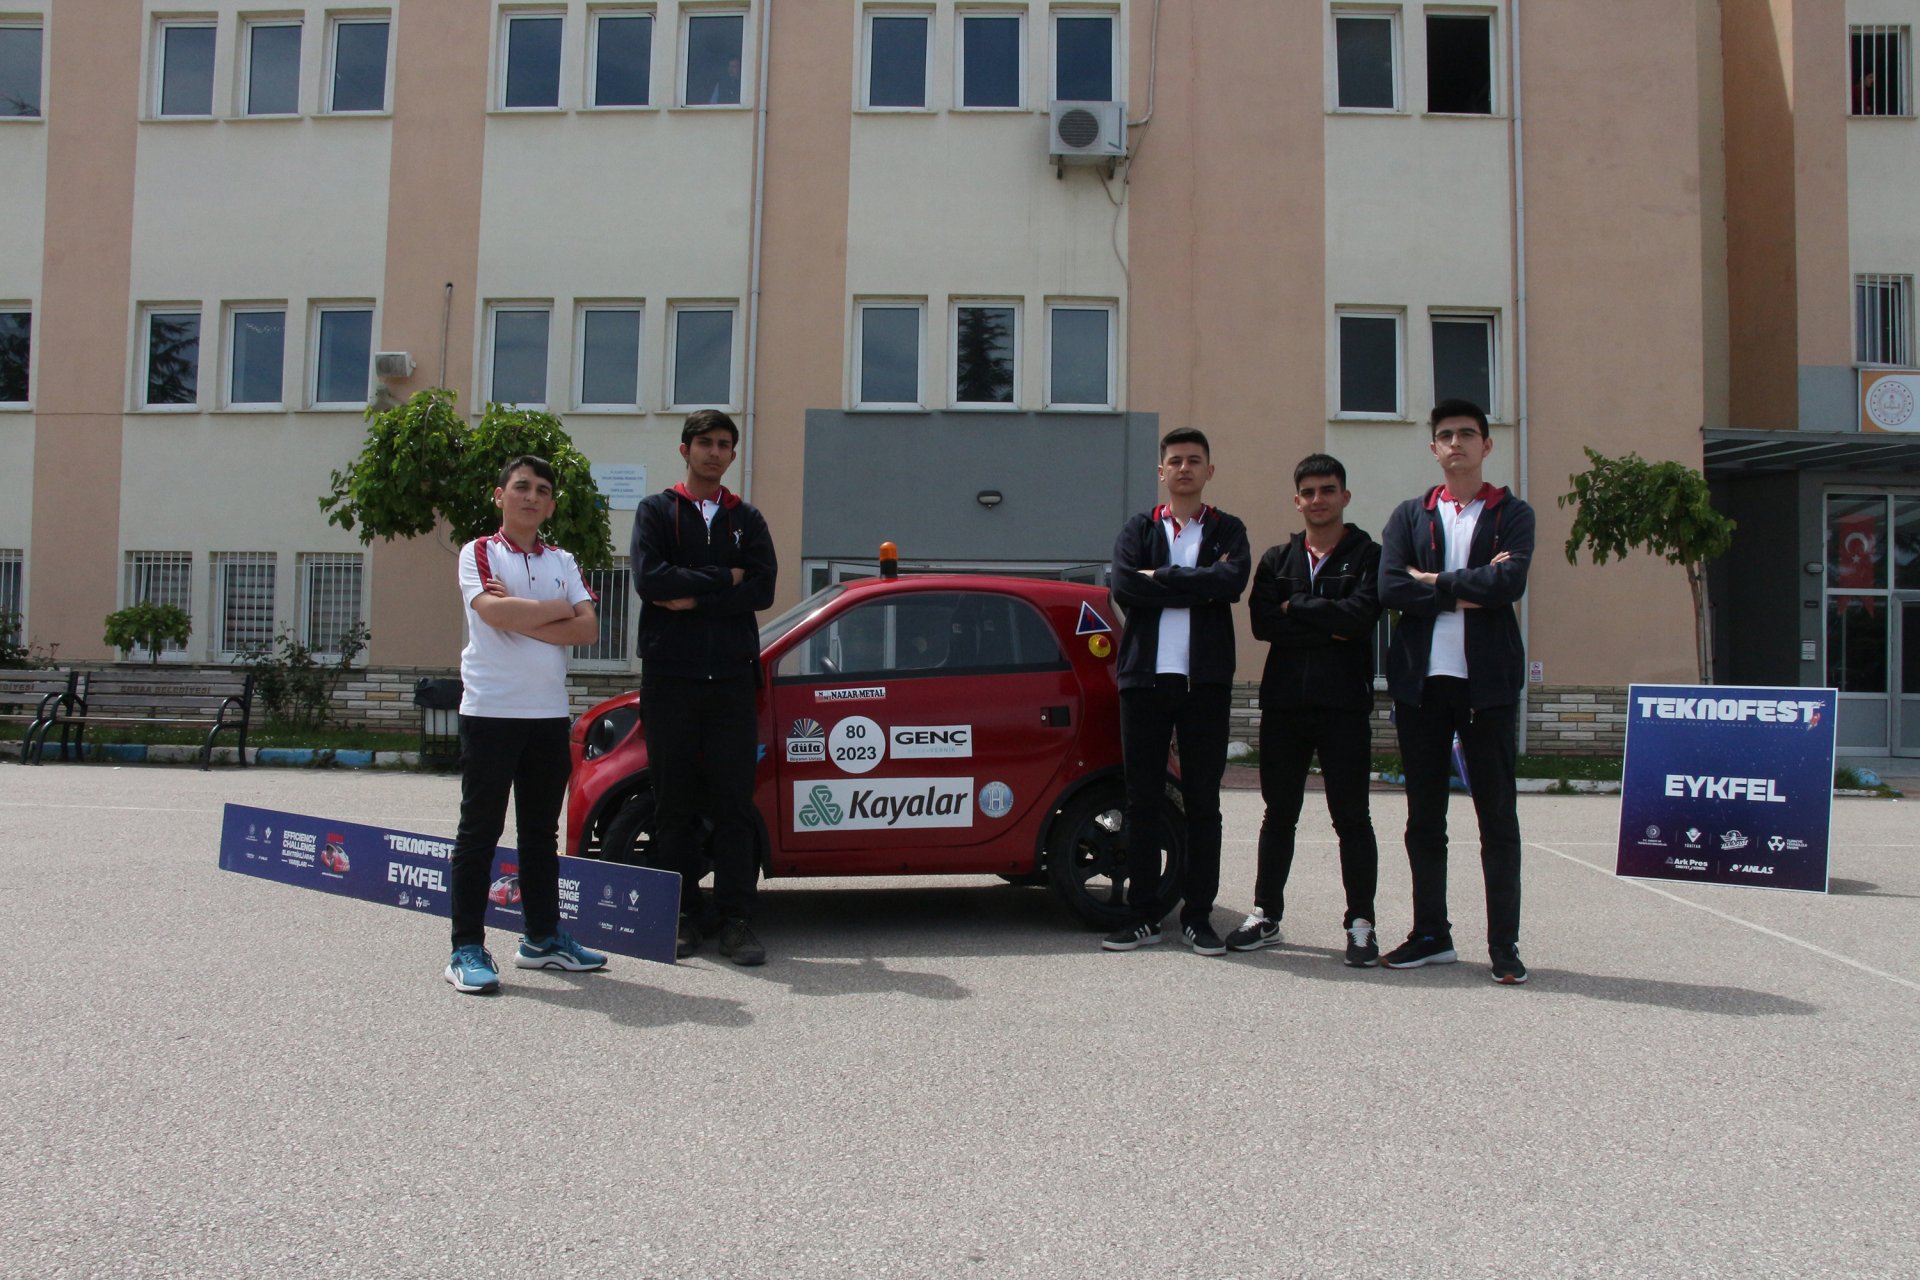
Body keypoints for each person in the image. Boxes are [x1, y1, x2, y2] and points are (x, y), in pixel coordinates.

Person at [1377, 399, 1535, 984]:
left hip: (1486, 687)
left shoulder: (1511, 513)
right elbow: (1391, 587)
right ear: (1434, 448)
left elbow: (1509, 583)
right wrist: (1471, 589)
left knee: (1497, 819)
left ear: (1486, 445)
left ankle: (1503, 945)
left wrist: (1435, 582)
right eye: (1446, 435)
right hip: (1422, 685)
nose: (1456, 443)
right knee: (1425, 818)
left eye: (1467, 434)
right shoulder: (1409, 515)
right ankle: (1431, 934)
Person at [445, 456, 608, 994]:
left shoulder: (563, 559)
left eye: (542, 490)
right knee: (479, 833)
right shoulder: (478, 552)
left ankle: (542, 939)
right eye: (521, 487)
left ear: (551, 505)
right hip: (490, 712)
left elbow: (587, 630)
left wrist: (524, 613)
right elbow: (492, 614)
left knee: (540, 834)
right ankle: (466, 947)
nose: (531, 496)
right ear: (500, 496)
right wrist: (556, 609)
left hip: (547, 716)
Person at [632, 410, 778, 966]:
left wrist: (693, 595)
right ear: (685, 450)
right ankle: (682, 915)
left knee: (734, 806)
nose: (714, 452)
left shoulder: (748, 518)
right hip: (670, 681)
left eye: (723, 444)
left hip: (731, 684)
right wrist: (724, 577)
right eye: (705, 443)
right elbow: (650, 580)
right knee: (674, 805)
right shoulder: (656, 511)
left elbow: (762, 588)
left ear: (733, 455)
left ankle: (737, 920)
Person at [1102, 428, 1252, 955]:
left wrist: (1161, 578)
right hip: (1144, 682)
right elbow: (1125, 586)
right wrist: (1197, 582)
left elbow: (1231, 583)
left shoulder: (1228, 528)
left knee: (1203, 803)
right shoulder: (1139, 528)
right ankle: (1142, 915)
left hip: (1203, 683)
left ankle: (1198, 917)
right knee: (1142, 801)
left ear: (1210, 470)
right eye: (1175, 461)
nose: (1184, 468)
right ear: (1161, 471)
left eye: (1194, 460)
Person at [1230, 453, 1383, 965]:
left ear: (1345, 496)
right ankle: (1265, 915)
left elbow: (1360, 619)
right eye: (1310, 492)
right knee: (1279, 815)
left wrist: (1297, 607)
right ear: (1297, 501)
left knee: (1352, 818)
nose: (1319, 499)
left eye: (1328, 489)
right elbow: (1263, 624)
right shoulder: (1277, 559)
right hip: (1285, 707)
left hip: (1344, 708)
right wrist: (1329, 623)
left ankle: (1361, 924)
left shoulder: (1369, 556)